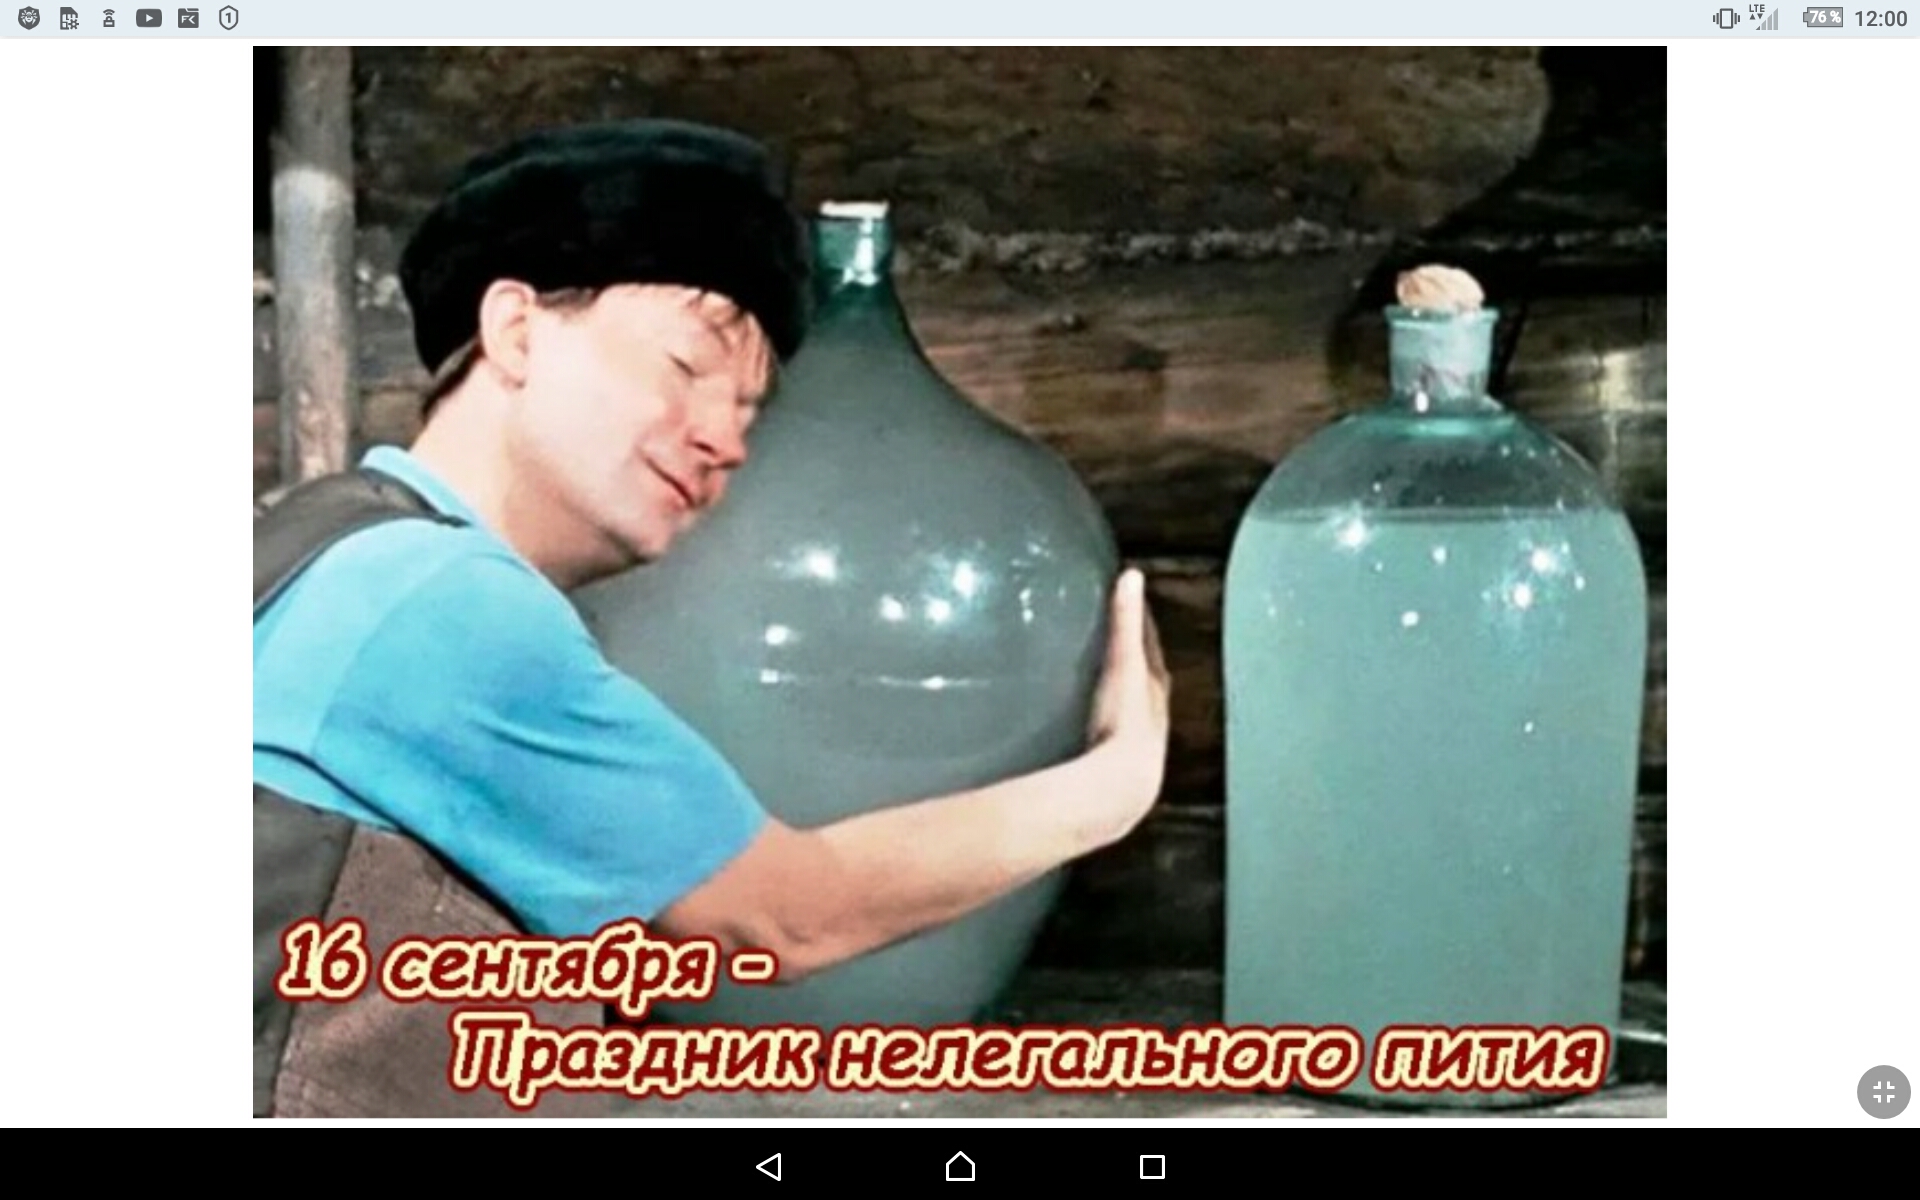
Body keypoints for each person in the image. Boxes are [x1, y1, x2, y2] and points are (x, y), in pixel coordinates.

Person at [253, 118, 1171, 1118]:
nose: (724, 441)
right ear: (516, 330)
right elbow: (783, 916)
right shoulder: (435, 606)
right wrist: (1112, 787)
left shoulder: (320, 545)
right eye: (686, 369)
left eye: (748, 411)